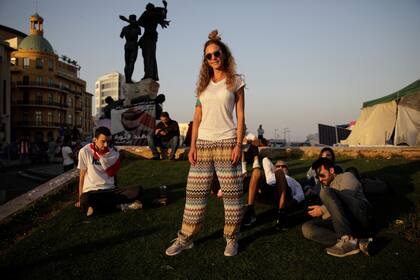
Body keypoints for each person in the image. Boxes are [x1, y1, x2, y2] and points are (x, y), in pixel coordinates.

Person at [165, 30, 245, 257]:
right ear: (205, 60)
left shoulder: (236, 81)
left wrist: (238, 144)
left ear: (224, 54)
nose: (213, 58)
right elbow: (197, 118)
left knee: (232, 194)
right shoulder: (202, 86)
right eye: (208, 56)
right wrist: (192, 146)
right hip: (203, 144)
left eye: (216, 53)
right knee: (194, 194)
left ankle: (231, 238)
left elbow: (240, 116)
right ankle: (186, 238)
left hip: (227, 141)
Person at [301, 157, 373, 257]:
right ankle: (355, 241)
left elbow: (348, 195)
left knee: (326, 192)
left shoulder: (347, 176)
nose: (320, 179)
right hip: (344, 224)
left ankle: (346, 240)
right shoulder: (327, 188)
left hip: (361, 216)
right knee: (307, 228)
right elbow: (333, 214)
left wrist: (322, 209)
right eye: (318, 177)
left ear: (331, 170)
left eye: (322, 175)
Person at [75, 126, 142, 216]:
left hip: (110, 190)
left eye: (108, 141)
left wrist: (117, 188)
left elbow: (113, 174)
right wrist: (80, 198)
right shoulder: (85, 151)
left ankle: (96, 208)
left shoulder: (112, 152)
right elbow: (82, 175)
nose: (106, 145)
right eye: (103, 141)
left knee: (137, 190)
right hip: (92, 191)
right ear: (95, 139)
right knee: (85, 199)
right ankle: (121, 206)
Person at [243, 158, 305, 230]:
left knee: (279, 173)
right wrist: (274, 169)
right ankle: (250, 211)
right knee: (256, 171)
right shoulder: (270, 175)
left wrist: (290, 203)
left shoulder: (293, 180)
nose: (281, 167)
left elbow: (301, 195)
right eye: (278, 166)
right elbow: (265, 160)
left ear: (287, 169)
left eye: (283, 166)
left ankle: (282, 214)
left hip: (285, 193)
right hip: (270, 190)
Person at [137, 1, 170, 81]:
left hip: (149, 37)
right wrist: (165, 6)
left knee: (148, 56)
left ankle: (148, 74)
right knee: (150, 56)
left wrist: (165, 7)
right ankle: (150, 74)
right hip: (150, 37)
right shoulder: (155, 15)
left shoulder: (149, 14)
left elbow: (139, 22)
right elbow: (163, 16)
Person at [120, 14, 142, 83]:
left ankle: (127, 79)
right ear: (135, 19)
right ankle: (128, 79)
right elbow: (139, 33)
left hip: (127, 45)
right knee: (131, 62)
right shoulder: (137, 28)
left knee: (127, 63)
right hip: (134, 45)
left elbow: (121, 36)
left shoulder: (125, 28)